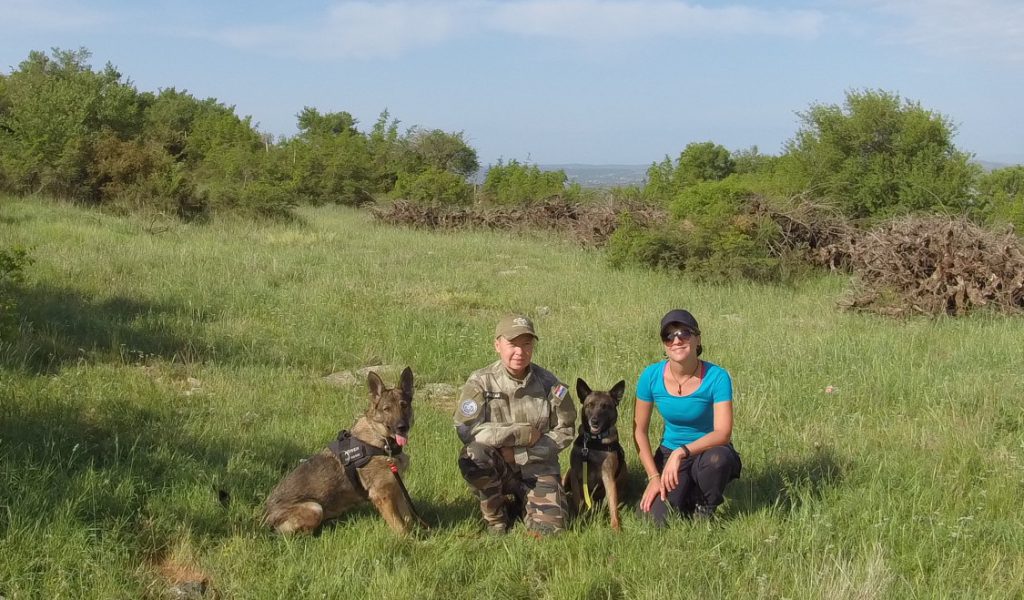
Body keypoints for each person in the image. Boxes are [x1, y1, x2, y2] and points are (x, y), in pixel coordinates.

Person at [454, 315, 576, 535]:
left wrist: (520, 454)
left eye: (527, 344)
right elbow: (466, 429)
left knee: (549, 532)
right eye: (512, 344)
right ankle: (496, 517)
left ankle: (526, 504)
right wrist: (518, 434)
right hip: (498, 466)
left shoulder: (550, 384)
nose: (520, 352)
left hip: (539, 468)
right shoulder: (480, 382)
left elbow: (565, 430)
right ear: (497, 345)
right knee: (472, 454)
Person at [633, 309, 741, 525]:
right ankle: (688, 495)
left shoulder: (717, 377)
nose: (677, 340)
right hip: (668, 453)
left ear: (697, 338)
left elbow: (723, 433)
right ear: (664, 344)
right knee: (653, 519)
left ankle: (705, 506)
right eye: (669, 336)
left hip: (708, 451)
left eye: (684, 333)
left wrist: (681, 452)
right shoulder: (650, 376)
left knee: (718, 460)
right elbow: (639, 431)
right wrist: (654, 476)